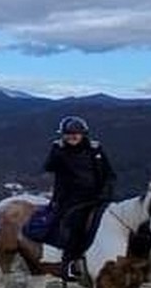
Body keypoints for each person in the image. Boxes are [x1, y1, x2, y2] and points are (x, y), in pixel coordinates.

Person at [41, 115, 117, 279]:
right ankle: (70, 262)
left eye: (76, 133)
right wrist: (56, 150)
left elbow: (109, 174)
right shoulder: (60, 150)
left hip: (98, 197)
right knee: (75, 225)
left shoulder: (95, 149)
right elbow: (48, 166)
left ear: (83, 134)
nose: (72, 136)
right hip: (71, 199)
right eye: (68, 133)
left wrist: (105, 193)